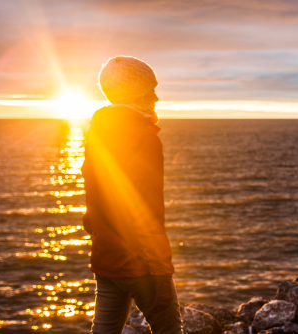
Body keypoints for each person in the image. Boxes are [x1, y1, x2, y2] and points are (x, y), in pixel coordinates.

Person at [81, 56, 182, 334]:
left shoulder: (96, 133)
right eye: (150, 90)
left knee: (104, 330)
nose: (156, 97)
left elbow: (94, 196)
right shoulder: (144, 138)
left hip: (106, 256)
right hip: (140, 264)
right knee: (169, 330)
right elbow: (147, 210)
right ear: (136, 94)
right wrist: (161, 274)